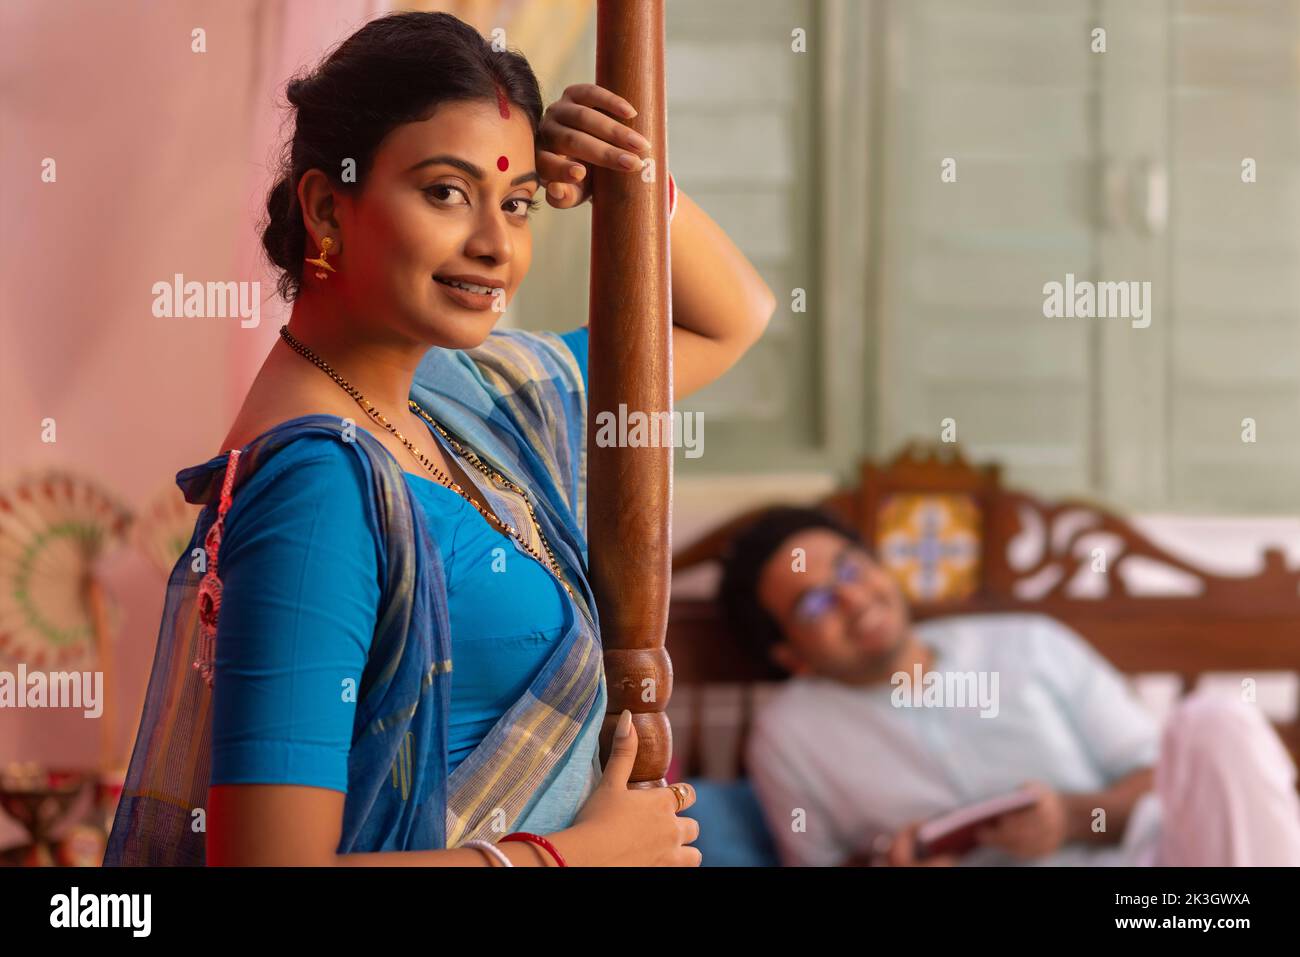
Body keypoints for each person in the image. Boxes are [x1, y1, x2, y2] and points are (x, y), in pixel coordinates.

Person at [105, 11, 774, 867]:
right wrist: (571, 857)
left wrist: (628, 175)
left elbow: (728, 320)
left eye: (519, 202)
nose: (495, 244)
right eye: (446, 192)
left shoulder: (462, 405)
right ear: (325, 208)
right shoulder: (320, 486)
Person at [720, 506, 1300, 867]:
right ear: (789, 655)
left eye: (849, 568)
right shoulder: (787, 735)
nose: (853, 598)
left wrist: (1072, 818)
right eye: (816, 602)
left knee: (1215, 717)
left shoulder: (1028, 642)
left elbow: (1160, 778)